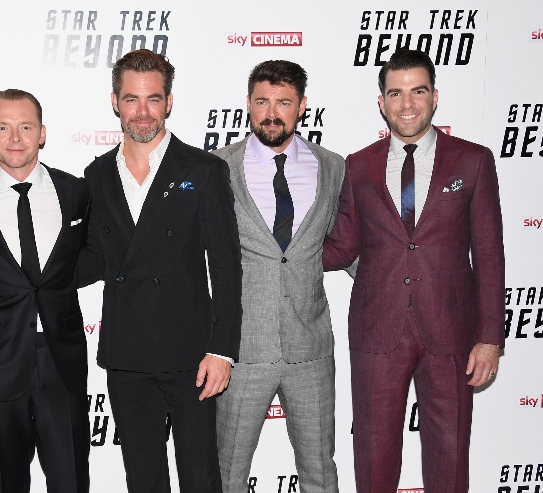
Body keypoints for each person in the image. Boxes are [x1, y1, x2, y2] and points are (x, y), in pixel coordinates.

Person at [323, 49, 504, 493]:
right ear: (381, 103)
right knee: (373, 457)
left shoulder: (473, 161)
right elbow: (343, 245)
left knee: (450, 458)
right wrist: (278, 250)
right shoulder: (357, 165)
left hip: (452, 331)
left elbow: (489, 255)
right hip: (377, 328)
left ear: (435, 97)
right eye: (395, 93)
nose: (407, 104)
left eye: (417, 92)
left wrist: (489, 338)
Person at [78, 49, 242, 493]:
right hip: (127, 354)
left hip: (193, 355)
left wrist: (223, 350)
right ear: (115, 101)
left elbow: (226, 266)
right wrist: (36, 275)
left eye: (153, 99)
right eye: (132, 99)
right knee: (143, 480)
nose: (143, 112)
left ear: (169, 102)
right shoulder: (97, 174)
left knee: (200, 479)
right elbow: (95, 256)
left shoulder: (204, 169)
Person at [0, 89, 90, 493]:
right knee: (5, 484)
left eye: (25, 127)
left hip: (61, 362)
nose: (15, 138)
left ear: (42, 133)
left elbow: (92, 258)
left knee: (72, 481)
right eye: (2, 127)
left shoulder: (77, 193)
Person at [213, 60, 344, 493]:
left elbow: (352, 245)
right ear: (248, 104)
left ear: (302, 106)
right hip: (240, 351)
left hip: (311, 348)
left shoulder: (333, 167)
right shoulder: (217, 167)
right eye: (262, 101)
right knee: (226, 473)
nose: (272, 113)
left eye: (284, 102)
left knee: (320, 473)